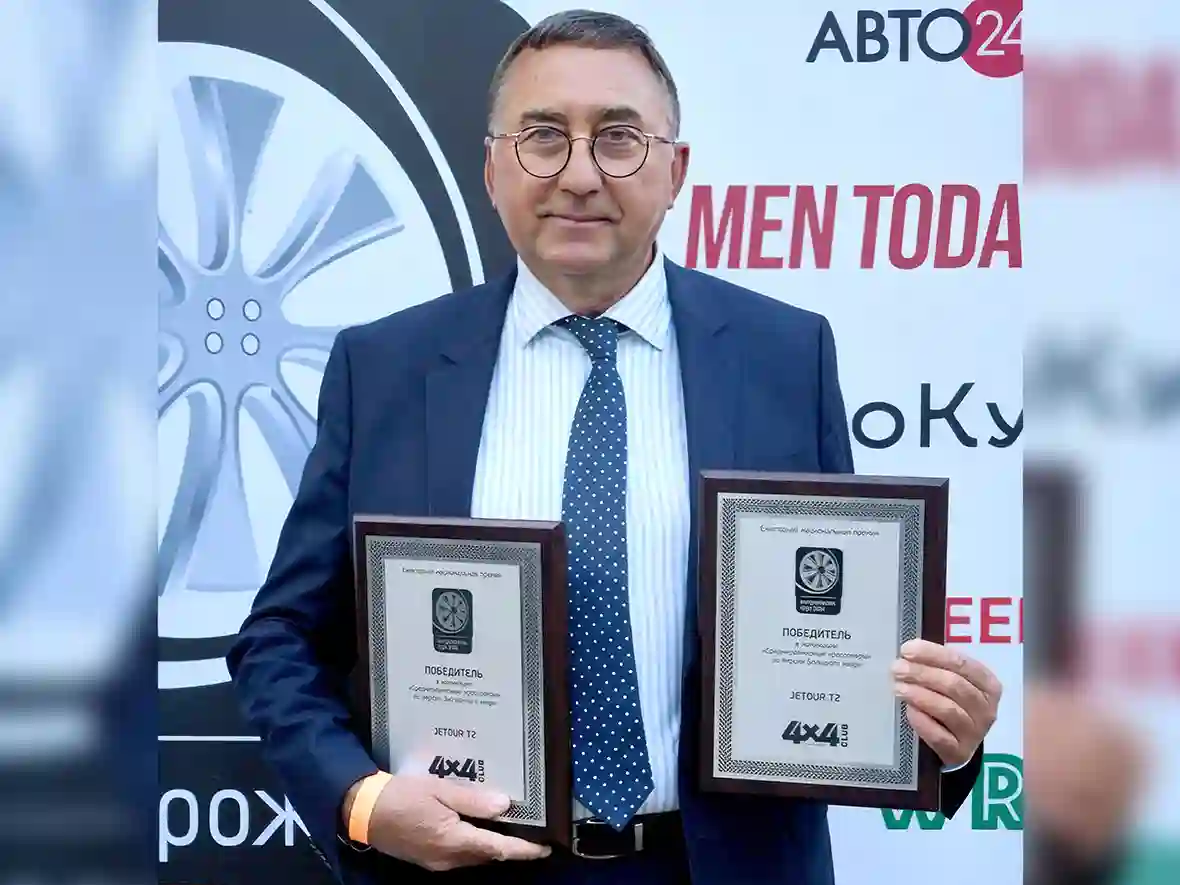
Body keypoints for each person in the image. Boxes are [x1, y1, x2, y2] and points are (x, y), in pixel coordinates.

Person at [227, 10, 1003, 885]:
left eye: (620, 138)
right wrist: (362, 801)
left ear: (676, 171)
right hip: (472, 863)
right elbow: (282, 636)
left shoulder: (786, 357)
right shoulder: (386, 369)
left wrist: (943, 739)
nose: (580, 174)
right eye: (543, 137)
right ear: (491, 169)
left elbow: (832, 636)